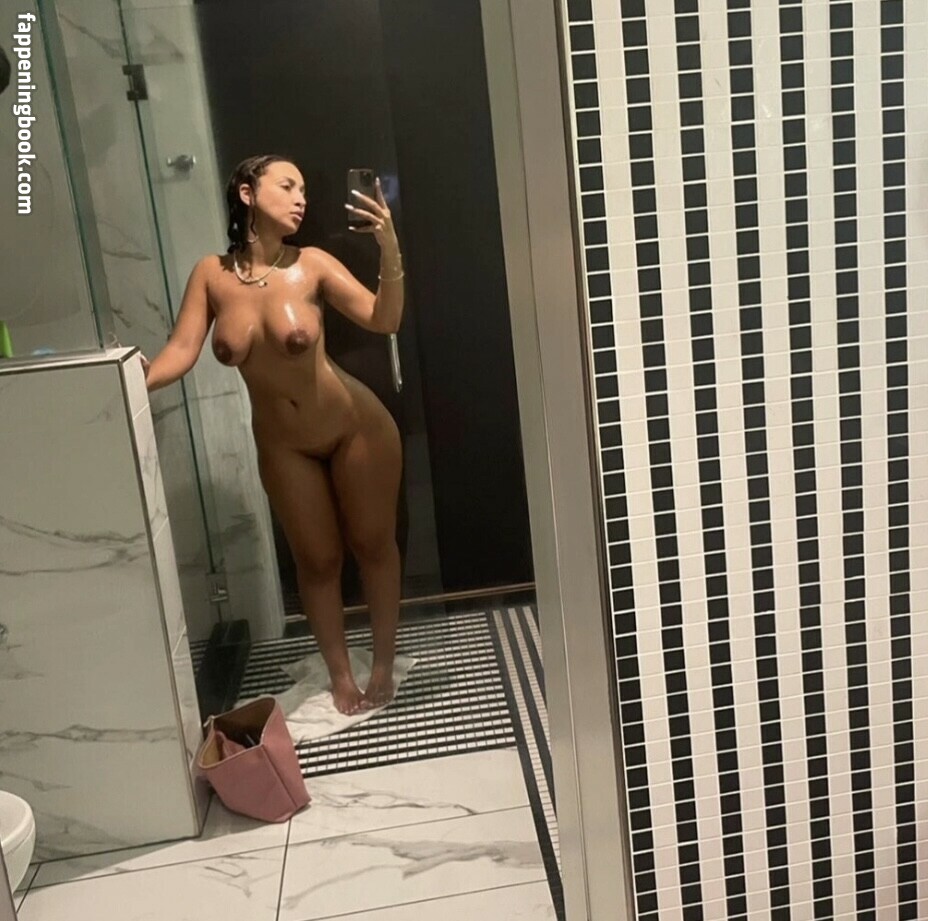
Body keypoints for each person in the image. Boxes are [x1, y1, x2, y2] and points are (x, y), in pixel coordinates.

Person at [142, 154, 405, 715]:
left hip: (356, 427)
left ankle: (383, 664)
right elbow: (182, 349)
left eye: (304, 189)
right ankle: (341, 676)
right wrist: (135, 380)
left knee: (373, 544)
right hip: (284, 445)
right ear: (247, 193)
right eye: (287, 186)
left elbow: (384, 320)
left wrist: (388, 247)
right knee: (317, 561)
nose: (300, 198)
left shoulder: (312, 265)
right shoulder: (211, 275)